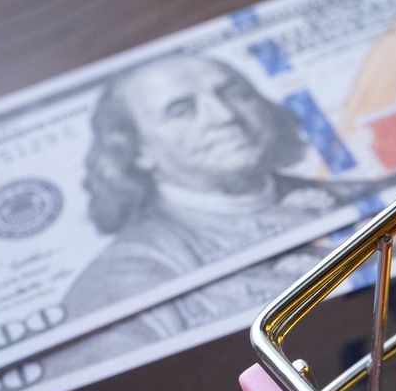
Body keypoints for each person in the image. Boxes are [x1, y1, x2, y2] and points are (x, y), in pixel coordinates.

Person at [59, 54, 364, 341]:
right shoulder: (120, 279)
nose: (225, 116)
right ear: (138, 150)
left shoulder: (362, 196)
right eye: (182, 111)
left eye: (234, 94)